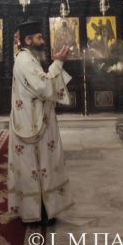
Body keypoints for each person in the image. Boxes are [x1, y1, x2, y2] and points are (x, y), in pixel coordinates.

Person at [8, 20, 73, 226]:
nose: (43, 40)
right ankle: (37, 213)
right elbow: (44, 86)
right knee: (36, 166)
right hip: (33, 125)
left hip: (35, 119)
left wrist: (56, 64)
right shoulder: (25, 61)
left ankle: (42, 209)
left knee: (40, 166)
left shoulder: (28, 57)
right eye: (39, 37)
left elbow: (41, 82)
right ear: (28, 40)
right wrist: (58, 62)